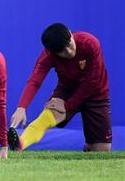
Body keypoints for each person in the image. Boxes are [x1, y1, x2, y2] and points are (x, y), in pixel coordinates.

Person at [10, 23, 111, 152]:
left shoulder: (90, 44)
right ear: (52, 52)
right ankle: (20, 144)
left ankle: (90, 147)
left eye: (69, 44)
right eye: (62, 51)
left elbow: (91, 82)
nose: (69, 51)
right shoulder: (48, 56)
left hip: (96, 94)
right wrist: (21, 107)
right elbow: (35, 81)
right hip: (67, 91)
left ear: (70, 33)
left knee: (101, 151)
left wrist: (68, 106)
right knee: (48, 115)